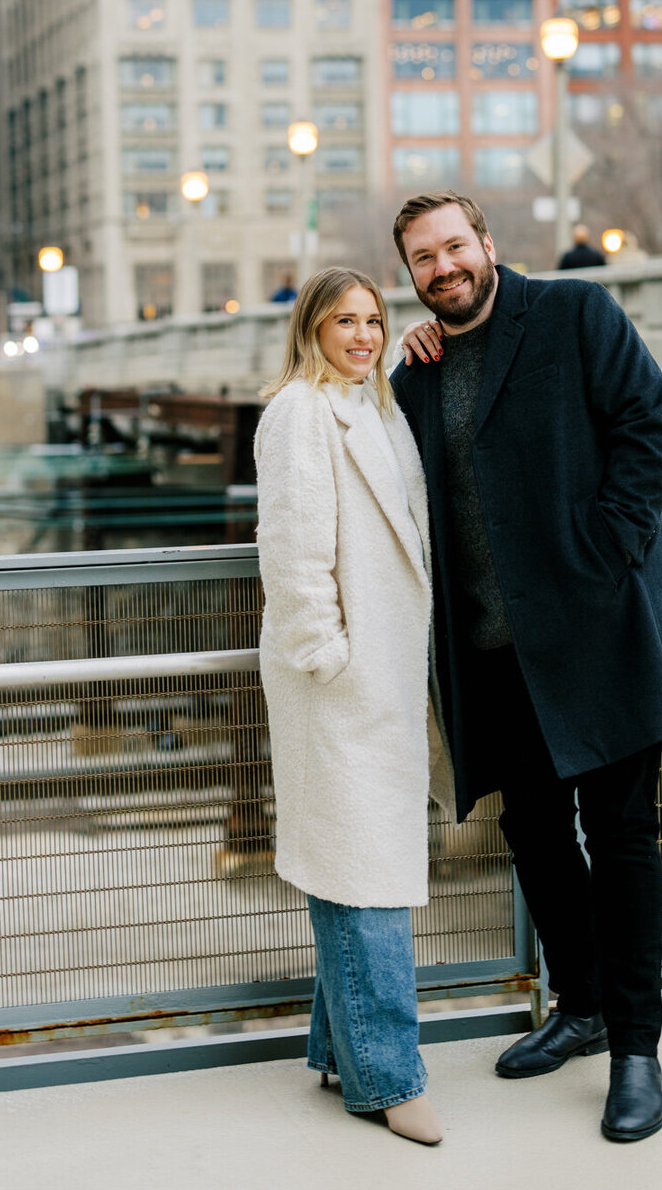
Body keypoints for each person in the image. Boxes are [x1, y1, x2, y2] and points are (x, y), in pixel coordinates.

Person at [389, 192, 662, 1145]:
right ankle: (581, 1004)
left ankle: (638, 1050)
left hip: (601, 635)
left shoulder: (574, 314)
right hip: (495, 655)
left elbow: (651, 430)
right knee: (533, 832)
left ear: (487, 245)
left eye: (454, 246)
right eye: (421, 258)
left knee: (622, 836)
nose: (442, 266)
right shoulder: (417, 375)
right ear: (410, 275)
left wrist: (603, 557)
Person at [254, 266, 453, 1148]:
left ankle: (340, 1051)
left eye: (375, 319)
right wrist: (325, 657)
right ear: (313, 329)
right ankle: (388, 1076)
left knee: (357, 863)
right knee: (363, 874)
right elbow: (292, 546)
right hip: (338, 685)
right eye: (346, 321)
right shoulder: (300, 410)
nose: (365, 335)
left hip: (382, 678)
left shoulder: (375, 407)